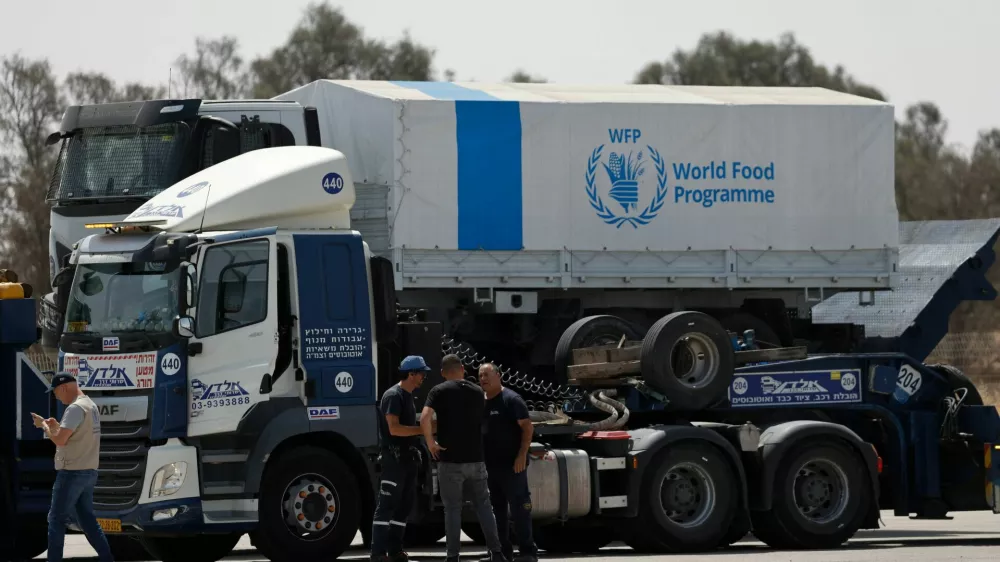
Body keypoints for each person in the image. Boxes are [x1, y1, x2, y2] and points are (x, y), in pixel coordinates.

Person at [421, 354, 506, 562]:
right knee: (484, 507)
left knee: (452, 509)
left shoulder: (438, 391)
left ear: (442, 373)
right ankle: (496, 553)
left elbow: (424, 417)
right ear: (462, 369)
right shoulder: (478, 391)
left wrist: (431, 443)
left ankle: (453, 556)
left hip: (450, 461)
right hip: (476, 460)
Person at [34, 372, 113, 562]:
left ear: (63, 388)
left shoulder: (75, 408)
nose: (56, 397)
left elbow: (61, 440)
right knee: (87, 520)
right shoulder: (90, 405)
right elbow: (73, 436)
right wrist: (56, 427)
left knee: (56, 520)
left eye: (55, 392)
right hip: (88, 471)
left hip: (72, 473)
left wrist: (44, 426)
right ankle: (107, 558)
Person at [370, 356, 429, 562]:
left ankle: (395, 550)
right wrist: (424, 429)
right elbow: (394, 428)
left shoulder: (408, 396)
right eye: (422, 373)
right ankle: (378, 554)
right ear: (411, 374)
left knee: (404, 506)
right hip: (393, 459)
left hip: (407, 459)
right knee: (386, 505)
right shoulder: (394, 396)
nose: (424, 377)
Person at [478, 363, 538, 562]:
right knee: (496, 512)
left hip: (513, 466)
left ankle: (528, 552)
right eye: (480, 375)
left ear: (498, 375)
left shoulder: (512, 400)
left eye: (487, 374)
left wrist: (522, 455)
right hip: (490, 467)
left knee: (520, 509)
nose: (483, 378)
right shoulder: (481, 402)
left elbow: (527, 428)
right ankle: (501, 554)